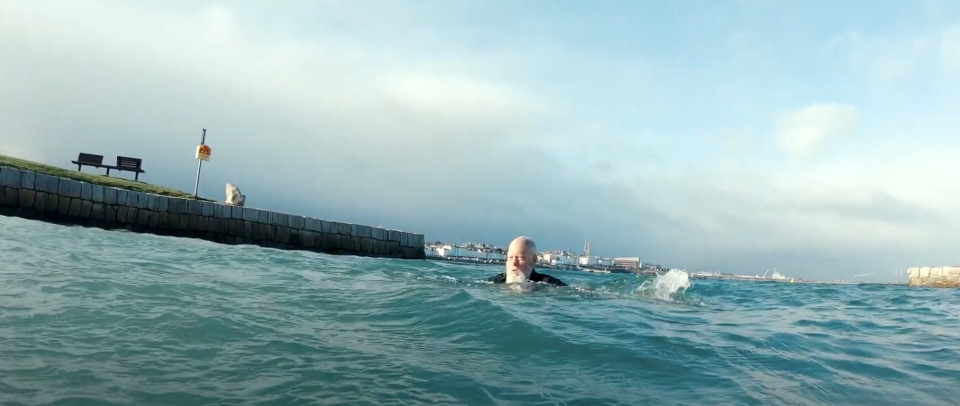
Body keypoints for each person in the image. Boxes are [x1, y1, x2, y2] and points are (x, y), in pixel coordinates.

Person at [487, 236, 567, 287]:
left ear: (533, 260)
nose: (514, 263)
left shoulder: (550, 284)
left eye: (520, 258)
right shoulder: (495, 281)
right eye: (511, 257)